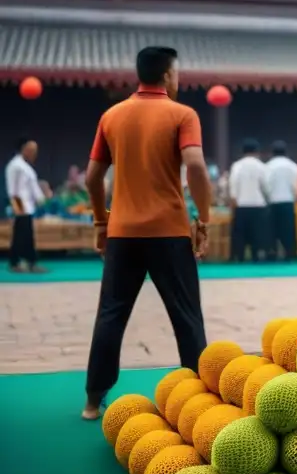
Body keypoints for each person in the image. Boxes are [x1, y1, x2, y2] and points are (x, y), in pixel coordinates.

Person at [82, 46, 211, 419]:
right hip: (169, 232)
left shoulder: (112, 116)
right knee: (187, 316)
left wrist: (100, 221)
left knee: (111, 314)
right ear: (168, 76)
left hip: (123, 233)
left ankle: (92, 401)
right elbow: (196, 168)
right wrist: (203, 219)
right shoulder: (182, 114)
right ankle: (199, 400)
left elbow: (93, 177)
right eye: (178, 73)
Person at [5, 138, 50, 274]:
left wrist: (41, 199)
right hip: (21, 206)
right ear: (24, 149)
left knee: (20, 236)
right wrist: (18, 209)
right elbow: (13, 190)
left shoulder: (26, 167)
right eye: (31, 150)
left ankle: (16, 262)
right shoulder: (15, 166)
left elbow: (32, 187)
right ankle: (30, 262)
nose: (34, 153)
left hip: (28, 206)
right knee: (25, 236)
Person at [228, 139, 269, 262]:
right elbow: (266, 186)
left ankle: (240, 257)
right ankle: (256, 256)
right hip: (258, 204)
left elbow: (233, 184)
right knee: (257, 234)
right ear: (256, 151)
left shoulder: (237, 165)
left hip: (241, 205)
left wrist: (234, 200)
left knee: (240, 234)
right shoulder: (261, 166)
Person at [263, 141, 297, 260]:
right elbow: (296, 187)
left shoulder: (268, 166)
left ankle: (272, 253)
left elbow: (266, 186)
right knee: (288, 231)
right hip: (288, 202)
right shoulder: (293, 166)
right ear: (286, 152)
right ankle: (290, 254)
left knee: (272, 231)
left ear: (272, 152)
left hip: (273, 203)